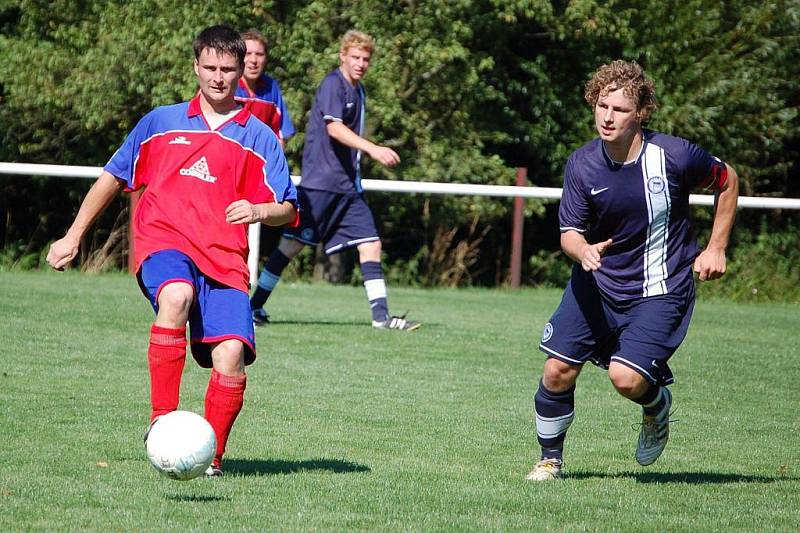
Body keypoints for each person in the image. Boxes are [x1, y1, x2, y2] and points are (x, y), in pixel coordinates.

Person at [46, 25, 298, 477]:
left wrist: (260, 210)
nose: (218, 78)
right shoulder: (160, 122)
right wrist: (73, 235)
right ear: (195, 67)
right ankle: (160, 421)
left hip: (224, 260)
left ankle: (209, 459)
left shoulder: (259, 135)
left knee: (231, 358)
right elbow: (112, 177)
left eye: (228, 69)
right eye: (210, 68)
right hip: (166, 243)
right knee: (176, 295)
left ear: (242, 72)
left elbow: (288, 208)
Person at [526, 60, 739, 481]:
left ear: (641, 112)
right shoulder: (582, 164)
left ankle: (656, 406)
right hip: (597, 284)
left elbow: (728, 179)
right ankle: (550, 460)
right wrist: (582, 250)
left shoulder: (676, 155)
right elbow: (569, 231)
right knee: (556, 370)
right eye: (601, 106)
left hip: (661, 286)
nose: (607, 117)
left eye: (619, 110)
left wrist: (716, 247)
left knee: (626, 379)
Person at [249, 29, 420, 331]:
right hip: (322, 185)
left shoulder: (359, 89)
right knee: (291, 247)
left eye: (366, 59)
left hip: (347, 188)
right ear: (343, 56)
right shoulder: (333, 85)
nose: (361, 63)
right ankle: (254, 306)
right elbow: (334, 129)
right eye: (355, 57)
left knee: (371, 244)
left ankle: (381, 317)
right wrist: (373, 149)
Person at [235, 29, 295, 148]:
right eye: (248, 54)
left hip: (259, 160)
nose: (253, 60)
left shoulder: (271, 88)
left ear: (266, 58)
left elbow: (279, 135)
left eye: (259, 54)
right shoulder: (225, 85)